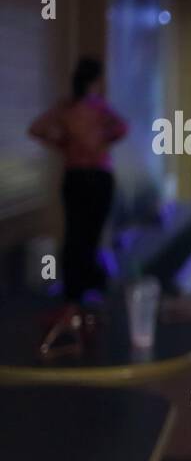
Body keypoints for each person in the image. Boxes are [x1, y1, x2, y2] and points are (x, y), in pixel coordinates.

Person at [28, 57, 127, 301]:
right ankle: (87, 283)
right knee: (90, 233)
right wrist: (102, 141)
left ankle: (75, 286)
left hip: (75, 175)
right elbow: (122, 127)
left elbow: (36, 128)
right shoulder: (98, 108)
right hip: (97, 175)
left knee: (75, 232)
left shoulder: (66, 108)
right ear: (95, 81)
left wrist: (64, 144)